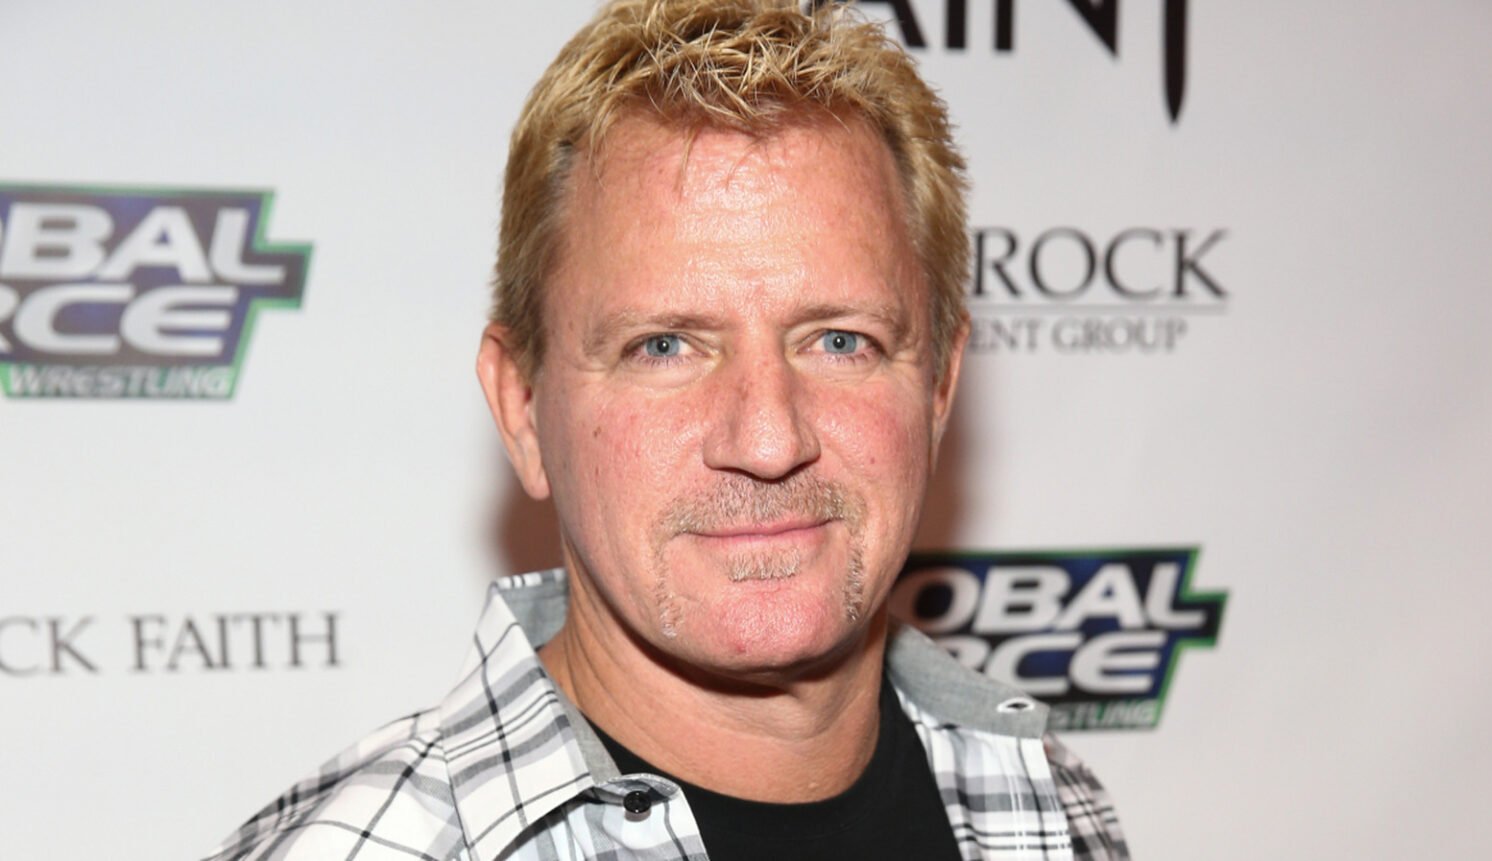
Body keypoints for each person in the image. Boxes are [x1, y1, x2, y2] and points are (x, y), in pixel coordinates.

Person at [206, 1, 1128, 858]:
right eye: (664, 346)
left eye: (840, 340)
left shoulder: (1051, 804)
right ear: (522, 408)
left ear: (939, 387)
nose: (767, 441)